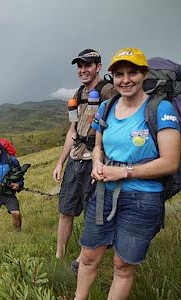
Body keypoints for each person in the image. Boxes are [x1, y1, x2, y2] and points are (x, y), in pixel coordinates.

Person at [75, 48, 180, 299]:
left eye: (133, 72)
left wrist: (124, 173)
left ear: (144, 74)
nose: (126, 79)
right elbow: (98, 145)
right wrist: (97, 164)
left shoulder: (161, 109)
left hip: (143, 200)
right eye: (119, 73)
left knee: (122, 266)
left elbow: (170, 162)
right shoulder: (107, 107)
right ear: (112, 76)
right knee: (88, 257)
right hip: (103, 195)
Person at [53, 49, 117, 268]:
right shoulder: (78, 94)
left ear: (98, 67)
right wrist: (60, 162)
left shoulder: (108, 91)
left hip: (95, 160)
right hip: (75, 159)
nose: (83, 70)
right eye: (80, 66)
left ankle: (82, 260)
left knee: (92, 211)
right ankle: (58, 257)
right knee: (65, 209)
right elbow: (73, 130)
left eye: (88, 65)